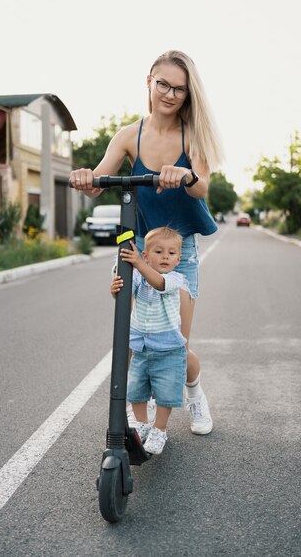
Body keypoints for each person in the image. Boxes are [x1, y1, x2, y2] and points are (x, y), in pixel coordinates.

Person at [70, 50, 224, 435]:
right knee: (132, 337)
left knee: (174, 344)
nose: (170, 95)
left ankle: (193, 390)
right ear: (149, 82)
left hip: (179, 251)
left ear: (189, 95)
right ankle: (134, 418)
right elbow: (97, 184)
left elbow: (202, 185)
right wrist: (86, 178)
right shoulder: (128, 135)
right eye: (164, 85)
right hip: (137, 248)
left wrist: (185, 175)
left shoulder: (193, 135)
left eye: (180, 90)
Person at [111, 227, 188, 455]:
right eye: (158, 251)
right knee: (136, 389)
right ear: (146, 255)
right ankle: (142, 424)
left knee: (166, 393)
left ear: (178, 259)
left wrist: (140, 265)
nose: (166, 256)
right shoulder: (139, 277)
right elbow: (126, 290)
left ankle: (159, 429)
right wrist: (115, 289)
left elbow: (158, 283)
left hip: (169, 350)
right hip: (141, 348)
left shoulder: (175, 278)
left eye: (172, 253)